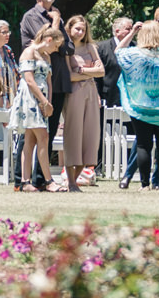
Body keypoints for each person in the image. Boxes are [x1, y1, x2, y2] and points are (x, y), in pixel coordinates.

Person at [116, 20, 159, 189]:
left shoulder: (134, 54)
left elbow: (118, 51)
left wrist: (131, 32)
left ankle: (144, 184)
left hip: (140, 107)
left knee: (143, 145)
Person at [20, 0, 68, 174]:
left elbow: (68, 48)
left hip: (56, 82)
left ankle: (42, 178)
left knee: (49, 130)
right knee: (31, 135)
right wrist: (55, 22)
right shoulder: (31, 16)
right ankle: (22, 178)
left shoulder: (57, 15)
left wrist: (56, 42)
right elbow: (46, 41)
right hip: (37, 83)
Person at [12, 26, 62, 192]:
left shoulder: (46, 56)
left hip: (42, 100)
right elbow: (29, 80)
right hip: (30, 99)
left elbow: (49, 81)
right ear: (48, 40)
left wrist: (49, 102)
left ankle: (25, 182)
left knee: (31, 140)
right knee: (43, 137)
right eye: (55, 46)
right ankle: (48, 181)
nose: (56, 50)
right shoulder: (29, 52)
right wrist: (43, 101)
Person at [62, 15, 104, 190]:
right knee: (74, 134)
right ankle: (70, 181)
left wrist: (82, 70)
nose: (81, 32)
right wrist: (90, 72)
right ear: (69, 29)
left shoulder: (91, 47)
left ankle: (76, 178)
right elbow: (68, 76)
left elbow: (101, 71)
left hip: (92, 93)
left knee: (91, 135)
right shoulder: (66, 49)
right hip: (74, 94)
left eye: (83, 29)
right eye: (77, 29)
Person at [95, 16, 135, 108]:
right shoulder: (101, 48)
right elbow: (96, 77)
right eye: (128, 29)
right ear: (117, 31)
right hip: (109, 98)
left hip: (132, 100)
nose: (132, 32)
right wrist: (96, 95)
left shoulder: (136, 47)